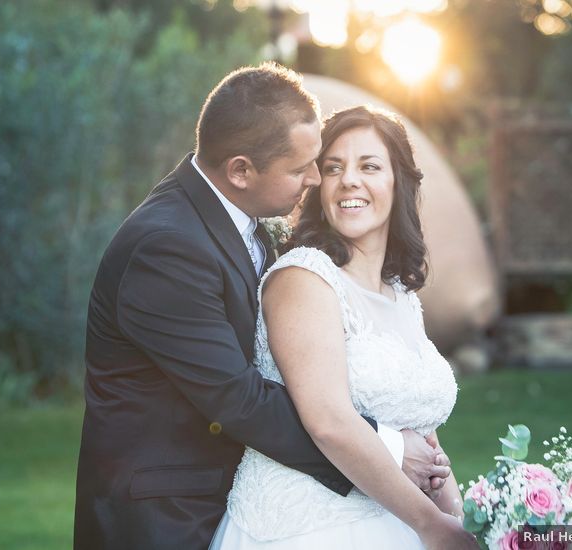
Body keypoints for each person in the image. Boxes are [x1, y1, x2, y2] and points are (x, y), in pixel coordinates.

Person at [73, 64, 451, 550]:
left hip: (244, 495)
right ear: (240, 171)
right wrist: (388, 447)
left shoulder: (246, 226)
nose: (317, 179)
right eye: (302, 169)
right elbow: (238, 398)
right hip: (169, 516)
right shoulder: (165, 247)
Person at [210, 106, 477, 549]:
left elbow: (418, 425)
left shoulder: (401, 296)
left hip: (398, 519)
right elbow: (328, 421)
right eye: (332, 168)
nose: (349, 180)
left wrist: (462, 514)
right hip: (311, 528)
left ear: (399, 183)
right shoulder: (303, 277)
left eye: (369, 166)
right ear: (318, 186)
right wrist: (431, 525)